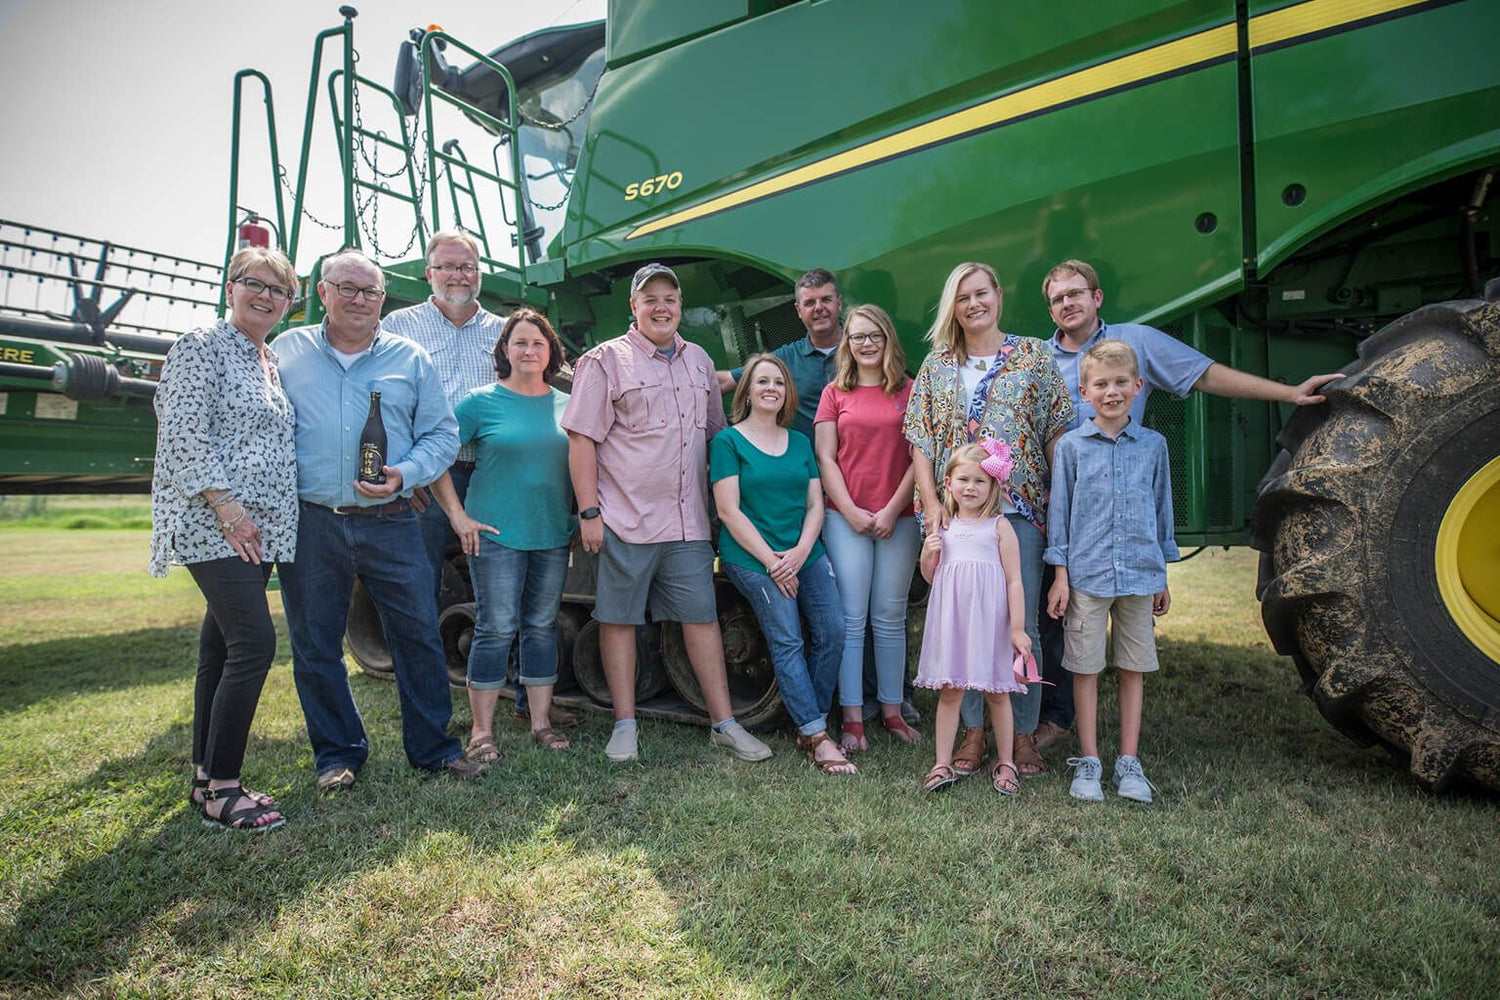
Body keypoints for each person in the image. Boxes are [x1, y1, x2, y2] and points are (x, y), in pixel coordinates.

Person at [1032, 258, 1343, 751]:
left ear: (1097, 298)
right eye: (1057, 298)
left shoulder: (1137, 342)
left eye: (1076, 293)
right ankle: (1056, 717)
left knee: (1107, 627)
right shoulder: (1036, 360)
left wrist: (1286, 392)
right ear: (1049, 309)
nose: (1067, 303)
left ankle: (1100, 737)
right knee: (1053, 617)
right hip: (1056, 507)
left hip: (1119, 515)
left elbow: (1204, 375)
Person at [273, 248, 484, 789]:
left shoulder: (409, 357)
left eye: (370, 291)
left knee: (416, 633)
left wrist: (405, 475)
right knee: (315, 641)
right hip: (312, 518)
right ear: (323, 292)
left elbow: (442, 434)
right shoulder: (287, 350)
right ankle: (338, 754)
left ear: (383, 299)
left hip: (390, 519)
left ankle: (434, 749)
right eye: (348, 288)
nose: (360, 300)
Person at [562, 262, 773, 764]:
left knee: (701, 619)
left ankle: (724, 723)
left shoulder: (699, 360)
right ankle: (624, 725)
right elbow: (582, 440)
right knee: (619, 620)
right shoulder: (604, 361)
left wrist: (726, 507)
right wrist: (589, 511)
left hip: (688, 522)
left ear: (680, 307)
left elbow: (712, 437)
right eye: (650, 298)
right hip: (626, 519)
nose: (661, 307)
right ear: (633, 307)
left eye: (670, 299)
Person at [382, 230, 564, 725]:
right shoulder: (400, 326)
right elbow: (380, 399)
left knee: (522, 597)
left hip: (490, 472)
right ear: (429, 274)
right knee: (417, 587)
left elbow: (541, 379)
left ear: (479, 272)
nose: (458, 276)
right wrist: (408, 471)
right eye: (447, 267)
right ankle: (424, 706)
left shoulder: (501, 331)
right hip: (428, 478)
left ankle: (531, 703)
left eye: (467, 267)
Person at [903, 261, 1074, 781]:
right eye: (962, 297)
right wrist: (932, 503)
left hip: (1017, 509)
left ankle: (1020, 733)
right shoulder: (937, 364)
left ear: (998, 294)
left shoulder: (1032, 356)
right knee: (965, 619)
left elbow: (1054, 433)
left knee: (1015, 619)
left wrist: (1059, 506)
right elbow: (920, 439)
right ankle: (973, 732)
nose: (973, 304)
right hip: (955, 513)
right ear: (952, 307)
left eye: (981, 293)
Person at [149, 245, 299, 832]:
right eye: (253, 284)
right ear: (230, 287)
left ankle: (203, 775)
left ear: (290, 303)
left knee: (219, 648)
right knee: (255, 644)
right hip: (216, 524)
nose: (265, 296)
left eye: (278, 290)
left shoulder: (268, 360)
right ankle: (225, 789)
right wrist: (228, 509)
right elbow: (183, 433)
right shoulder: (201, 346)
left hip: (256, 528)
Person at [430, 308, 577, 756]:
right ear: (505, 350)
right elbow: (437, 454)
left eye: (538, 342)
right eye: (520, 342)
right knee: (496, 627)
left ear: (550, 350)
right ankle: (481, 731)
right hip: (494, 533)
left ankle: (538, 721)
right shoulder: (480, 401)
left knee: (540, 627)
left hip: (552, 532)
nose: (529, 350)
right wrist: (458, 517)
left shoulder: (568, 404)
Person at [1045, 341, 1178, 803]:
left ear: (1138, 387)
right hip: (1087, 574)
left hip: (1140, 573)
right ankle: (1089, 759)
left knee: (1132, 666)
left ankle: (1128, 761)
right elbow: (1059, 516)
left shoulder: (1154, 446)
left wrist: (1162, 571)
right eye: (1101, 384)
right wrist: (1060, 575)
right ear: (1084, 391)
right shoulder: (1071, 447)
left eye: (1121, 382)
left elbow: (1162, 511)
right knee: (1084, 667)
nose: (1112, 391)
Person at [712, 354, 852, 774]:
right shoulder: (728, 442)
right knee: (788, 636)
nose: (770, 388)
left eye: (778, 382)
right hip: (752, 557)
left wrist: (799, 552)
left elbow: (815, 505)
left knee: (834, 631)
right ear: (747, 391)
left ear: (787, 392)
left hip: (802, 553)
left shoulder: (800, 442)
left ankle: (810, 718)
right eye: (762, 382)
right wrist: (773, 563)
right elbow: (729, 512)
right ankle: (816, 734)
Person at [813, 304, 921, 755]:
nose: (866, 343)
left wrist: (892, 509)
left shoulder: (911, 391)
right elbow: (825, 457)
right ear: (847, 343)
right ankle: (854, 719)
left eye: (874, 334)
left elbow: (921, 458)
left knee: (891, 618)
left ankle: (893, 711)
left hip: (900, 518)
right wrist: (854, 511)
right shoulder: (835, 393)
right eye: (857, 336)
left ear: (888, 338)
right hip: (846, 518)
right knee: (852, 619)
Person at [915, 442, 1033, 795]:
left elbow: (1014, 580)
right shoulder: (943, 527)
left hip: (991, 623)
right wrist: (926, 554)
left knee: (997, 693)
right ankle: (941, 763)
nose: (971, 487)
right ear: (948, 483)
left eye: (980, 481)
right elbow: (932, 578)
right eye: (963, 479)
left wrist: (1017, 628)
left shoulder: (999, 527)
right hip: (953, 623)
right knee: (951, 691)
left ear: (993, 487)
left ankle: (1007, 761)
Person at [716, 268, 843, 439]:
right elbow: (725, 381)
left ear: (839, 303)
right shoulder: (786, 358)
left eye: (826, 300)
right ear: (798, 310)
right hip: (810, 464)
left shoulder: (864, 351)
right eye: (810, 303)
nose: (818, 308)